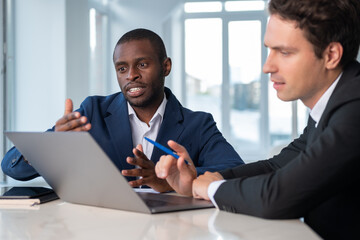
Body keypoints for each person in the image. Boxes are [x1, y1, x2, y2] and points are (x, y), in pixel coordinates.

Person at [154, 0, 360, 238]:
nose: (267, 66)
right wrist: (198, 181)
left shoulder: (354, 108)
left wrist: (211, 188)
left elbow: (276, 196)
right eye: (269, 50)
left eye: (284, 52)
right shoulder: (335, 104)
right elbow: (277, 166)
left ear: (331, 55)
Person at [1, 28, 244, 192]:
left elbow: (237, 172)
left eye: (142, 64)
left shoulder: (198, 124)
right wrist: (52, 142)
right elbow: (11, 168)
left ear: (166, 66)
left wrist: (175, 179)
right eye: (121, 68)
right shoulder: (93, 112)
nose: (131, 76)